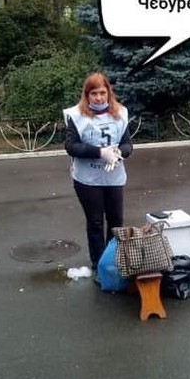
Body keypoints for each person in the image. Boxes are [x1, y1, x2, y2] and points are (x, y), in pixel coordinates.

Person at [64, 72, 133, 271]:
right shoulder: (77, 116)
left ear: (108, 92)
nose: (99, 98)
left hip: (114, 176)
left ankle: (113, 261)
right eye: (94, 93)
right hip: (88, 179)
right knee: (95, 222)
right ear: (87, 95)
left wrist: (119, 153)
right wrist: (100, 152)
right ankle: (99, 264)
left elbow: (128, 144)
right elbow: (71, 146)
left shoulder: (120, 113)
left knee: (116, 221)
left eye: (102, 92)